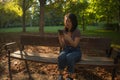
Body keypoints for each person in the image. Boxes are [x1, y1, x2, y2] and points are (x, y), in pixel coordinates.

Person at [58, 13, 82, 80]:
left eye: (69, 21)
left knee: (69, 57)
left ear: (73, 22)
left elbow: (75, 45)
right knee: (61, 56)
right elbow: (63, 45)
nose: (67, 23)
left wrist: (69, 38)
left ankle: (70, 77)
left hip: (76, 51)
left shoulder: (77, 31)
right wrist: (60, 38)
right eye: (66, 21)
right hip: (66, 49)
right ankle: (60, 75)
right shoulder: (64, 31)